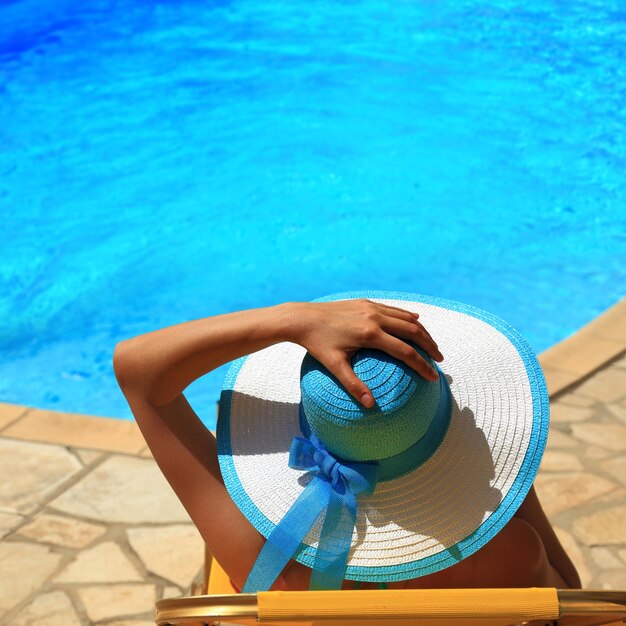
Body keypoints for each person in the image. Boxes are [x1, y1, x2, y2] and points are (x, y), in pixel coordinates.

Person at [113, 293, 582, 592]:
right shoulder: (514, 555)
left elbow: (136, 369)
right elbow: (579, 608)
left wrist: (291, 318)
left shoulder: (263, 558)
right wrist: (498, 465)